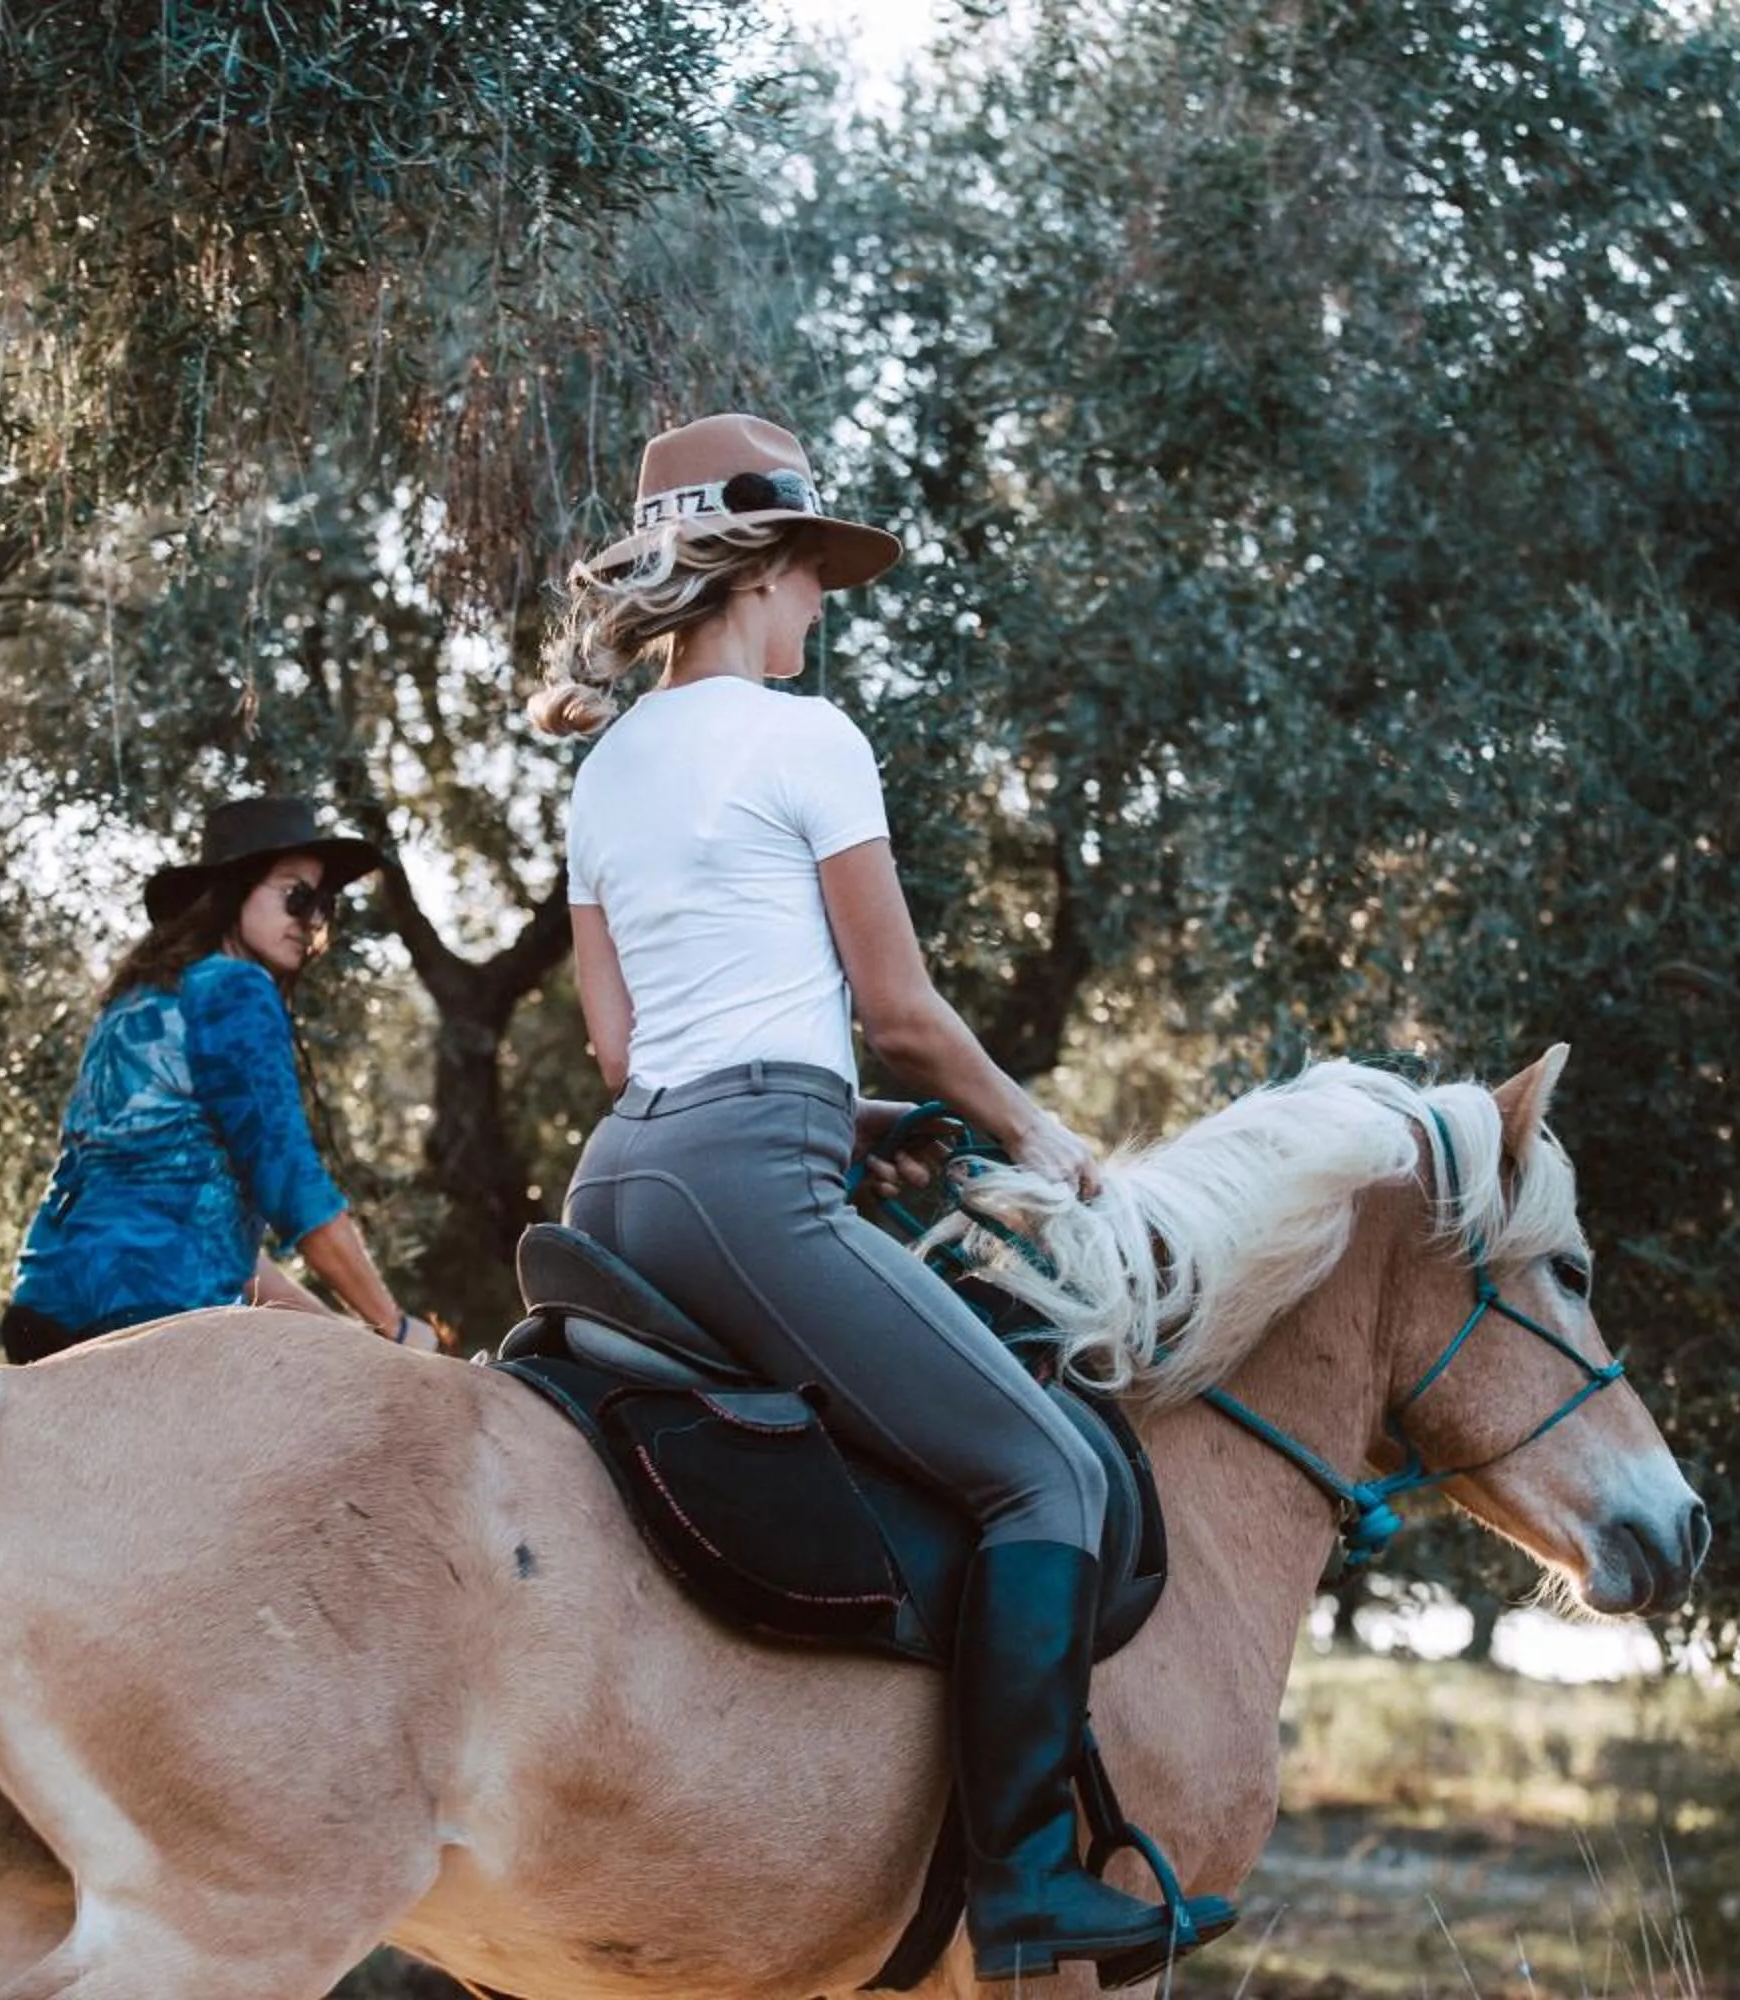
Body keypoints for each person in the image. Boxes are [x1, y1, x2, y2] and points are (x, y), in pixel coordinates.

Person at [529, 412, 1234, 1982]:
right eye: (811, 575)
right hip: (748, 1187)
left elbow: (625, 1048)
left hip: (620, 1186)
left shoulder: (607, 764)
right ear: (758, 569)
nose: (820, 605)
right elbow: (901, 1008)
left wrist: (842, 1116)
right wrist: (1038, 1136)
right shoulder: (808, 739)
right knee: (1044, 1473)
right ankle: (1028, 1880)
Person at [0, 796, 439, 1364]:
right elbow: (292, 1182)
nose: (311, 920)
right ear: (235, 890)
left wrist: (336, 1331)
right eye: (296, 896)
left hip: (42, 1312)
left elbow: (205, 1235)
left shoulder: (137, 999)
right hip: (148, 1319)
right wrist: (395, 1328)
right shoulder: (236, 989)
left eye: (324, 904)